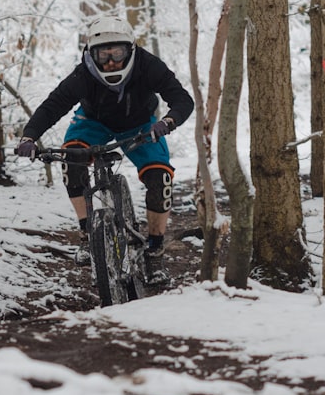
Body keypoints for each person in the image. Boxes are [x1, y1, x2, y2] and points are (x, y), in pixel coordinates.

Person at [15, 15, 194, 264]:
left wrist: (168, 121)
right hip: (92, 123)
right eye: (103, 56)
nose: (110, 62)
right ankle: (87, 234)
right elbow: (53, 106)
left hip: (141, 125)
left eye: (117, 54)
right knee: (71, 161)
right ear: (91, 53)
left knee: (160, 178)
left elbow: (183, 100)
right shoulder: (84, 74)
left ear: (130, 51)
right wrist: (30, 136)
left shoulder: (149, 66)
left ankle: (155, 246)